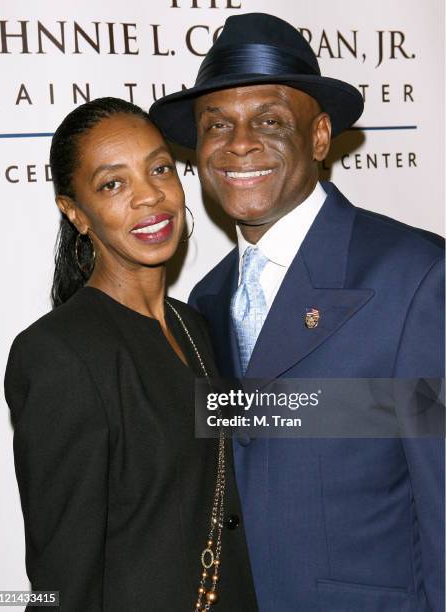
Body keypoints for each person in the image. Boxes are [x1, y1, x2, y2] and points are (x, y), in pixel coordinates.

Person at [150, 12, 445, 612]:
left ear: (317, 137)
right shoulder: (203, 301)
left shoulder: (415, 277)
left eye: (269, 120)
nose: (239, 144)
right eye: (216, 125)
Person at [4, 97, 258, 612]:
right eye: (113, 184)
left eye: (159, 168)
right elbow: (59, 588)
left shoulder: (199, 325)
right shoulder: (58, 355)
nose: (150, 197)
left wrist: (410, 406)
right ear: (75, 212)